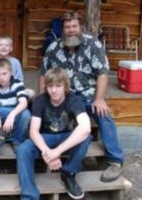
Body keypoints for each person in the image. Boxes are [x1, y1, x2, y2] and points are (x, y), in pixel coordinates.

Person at [39, 11, 124, 182]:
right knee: (42, 117)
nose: (70, 30)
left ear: (80, 27)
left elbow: (102, 73)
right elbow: (43, 74)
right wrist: (42, 98)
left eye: (74, 26)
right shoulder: (54, 47)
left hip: (88, 97)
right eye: (67, 27)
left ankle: (115, 161)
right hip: (63, 99)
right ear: (63, 29)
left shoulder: (94, 45)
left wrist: (99, 99)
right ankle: (43, 154)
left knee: (104, 115)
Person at [17, 67, 91, 200]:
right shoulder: (40, 100)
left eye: (58, 86)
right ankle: (29, 195)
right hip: (45, 138)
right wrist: (47, 152)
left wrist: (56, 152)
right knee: (23, 149)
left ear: (65, 86)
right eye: (50, 86)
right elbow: (33, 131)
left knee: (85, 137)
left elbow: (85, 127)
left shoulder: (73, 100)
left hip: (66, 137)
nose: (54, 90)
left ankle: (68, 173)